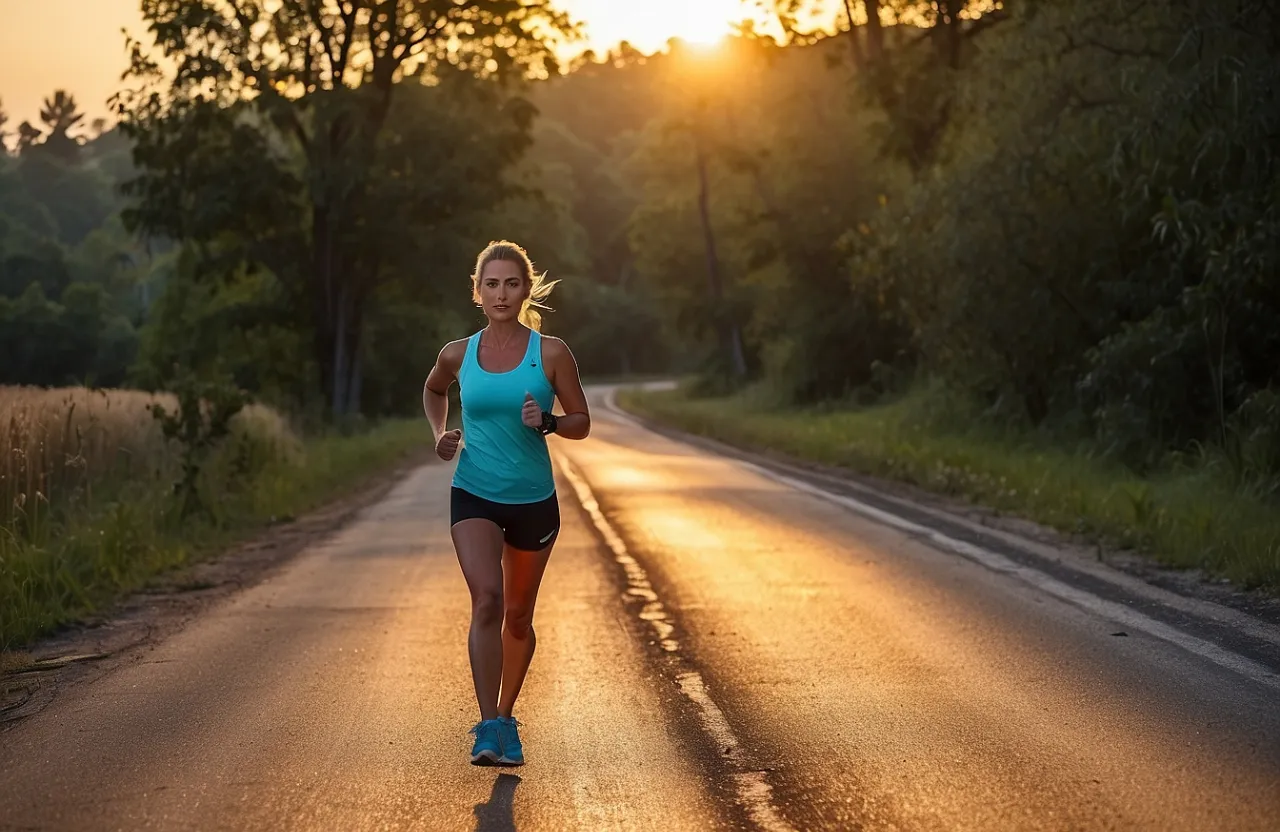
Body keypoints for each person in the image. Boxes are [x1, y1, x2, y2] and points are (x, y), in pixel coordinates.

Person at [422, 240, 591, 766]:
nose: (501, 293)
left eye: (511, 283)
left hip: (533, 500)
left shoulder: (552, 352)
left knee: (517, 616)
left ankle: (507, 713)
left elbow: (581, 422)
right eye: (491, 284)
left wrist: (549, 423)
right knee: (487, 601)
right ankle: (488, 727)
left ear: (525, 289)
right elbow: (434, 390)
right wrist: (441, 433)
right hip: (473, 490)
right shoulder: (457, 353)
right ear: (477, 292)